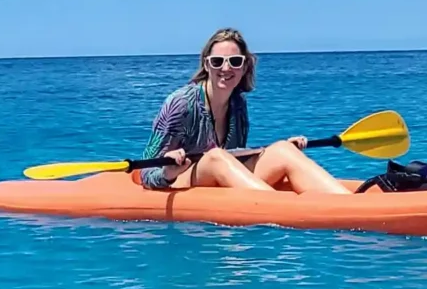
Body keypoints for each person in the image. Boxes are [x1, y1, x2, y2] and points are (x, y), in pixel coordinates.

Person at [139, 29, 351, 194]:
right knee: (215, 158)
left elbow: (236, 157)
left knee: (283, 149)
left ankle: (348, 204)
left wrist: (268, 152)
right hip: (183, 180)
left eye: (235, 61)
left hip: (219, 175)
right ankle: (279, 207)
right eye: (217, 61)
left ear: (244, 66)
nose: (226, 68)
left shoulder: (237, 104)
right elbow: (146, 172)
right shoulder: (181, 105)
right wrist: (168, 173)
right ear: (207, 65)